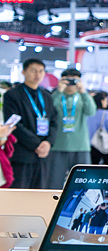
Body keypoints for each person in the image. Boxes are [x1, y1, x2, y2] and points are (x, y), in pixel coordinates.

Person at [2, 59, 57, 189]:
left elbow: (54, 122)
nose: (37, 74)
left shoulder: (47, 96)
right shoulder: (12, 95)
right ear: (24, 72)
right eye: (33, 70)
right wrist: (37, 144)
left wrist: (48, 142)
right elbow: (15, 125)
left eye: (41, 71)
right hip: (22, 154)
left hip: (43, 155)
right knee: (19, 195)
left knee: (39, 194)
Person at [46, 68, 96, 189]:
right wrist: (59, 90)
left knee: (83, 183)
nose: (71, 83)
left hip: (80, 146)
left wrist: (83, 91)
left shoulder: (82, 97)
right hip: (58, 145)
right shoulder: (56, 96)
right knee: (54, 182)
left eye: (74, 80)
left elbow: (91, 111)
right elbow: (48, 111)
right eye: (67, 79)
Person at [87, 91, 108, 165]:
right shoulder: (106, 113)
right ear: (102, 101)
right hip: (104, 142)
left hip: (90, 144)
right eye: (106, 100)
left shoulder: (88, 114)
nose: (106, 102)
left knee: (93, 167)